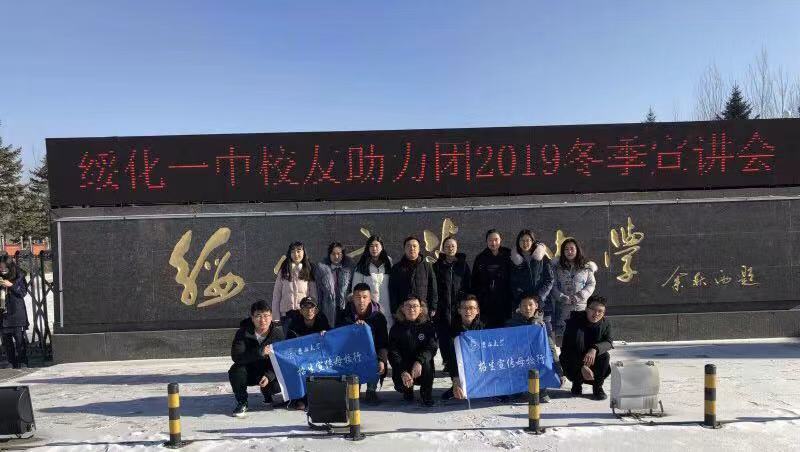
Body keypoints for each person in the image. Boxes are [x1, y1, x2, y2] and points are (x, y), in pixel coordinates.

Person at [228, 300, 285, 417]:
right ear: (252, 318)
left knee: (278, 384)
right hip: (249, 372)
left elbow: (282, 360)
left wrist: (269, 376)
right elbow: (237, 357)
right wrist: (260, 352)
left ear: (271, 317)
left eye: (266, 316)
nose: (263, 320)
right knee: (235, 370)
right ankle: (242, 402)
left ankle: (267, 393)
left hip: (267, 371)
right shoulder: (243, 333)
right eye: (258, 316)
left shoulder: (277, 334)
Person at [505, 293, 565, 402]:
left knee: (542, 358)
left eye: (530, 305)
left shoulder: (542, 325)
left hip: (536, 362)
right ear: (519, 307)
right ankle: (516, 389)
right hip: (518, 360)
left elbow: (551, 348)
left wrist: (559, 372)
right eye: (524, 305)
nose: (527, 308)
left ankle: (541, 390)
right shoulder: (511, 324)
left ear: (536, 306)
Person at [336, 282, 389, 404]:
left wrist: (382, 360)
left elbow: (383, 342)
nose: (361, 301)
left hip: (371, 355)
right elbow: (337, 338)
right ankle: (354, 387)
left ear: (370, 298)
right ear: (352, 298)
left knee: (377, 362)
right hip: (351, 355)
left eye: (365, 297)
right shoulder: (344, 315)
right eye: (358, 297)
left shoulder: (378, 317)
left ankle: (371, 390)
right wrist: (353, 329)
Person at [559, 295, 613, 401]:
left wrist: (595, 349)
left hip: (593, 362)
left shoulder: (606, 323)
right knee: (567, 357)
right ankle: (576, 383)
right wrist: (582, 366)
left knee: (605, 356)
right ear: (587, 309)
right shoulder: (574, 322)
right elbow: (567, 349)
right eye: (593, 310)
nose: (596, 314)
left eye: (600, 311)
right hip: (574, 362)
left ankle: (597, 387)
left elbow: (609, 342)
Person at [388, 296, 438, 407]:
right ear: (402, 309)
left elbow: (432, 347)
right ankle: (407, 390)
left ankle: (426, 394)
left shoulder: (428, 326)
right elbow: (392, 353)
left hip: (421, 367)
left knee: (427, 363)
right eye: (408, 306)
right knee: (402, 387)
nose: (412, 309)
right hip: (403, 367)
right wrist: (403, 371)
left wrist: (419, 361)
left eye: (415, 306)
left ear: (421, 309)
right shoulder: (396, 329)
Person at [433, 236, 470, 377]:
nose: (450, 248)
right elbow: (433, 287)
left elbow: (468, 284)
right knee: (444, 337)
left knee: (458, 335)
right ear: (443, 249)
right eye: (447, 246)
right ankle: (447, 362)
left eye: (453, 246)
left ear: (457, 247)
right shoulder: (437, 266)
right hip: (442, 308)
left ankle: (459, 361)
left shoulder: (463, 265)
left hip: (458, 307)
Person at [285, 296, 330, 410]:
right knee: (297, 368)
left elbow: (331, 341)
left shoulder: (322, 321)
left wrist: (326, 334)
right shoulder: (294, 323)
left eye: (312, 308)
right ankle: (300, 398)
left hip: (319, 357)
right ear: (300, 311)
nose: (309, 311)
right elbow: (288, 344)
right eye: (305, 308)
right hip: (301, 358)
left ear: (316, 310)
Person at [510, 230, 554, 335]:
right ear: (518, 242)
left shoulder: (542, 257)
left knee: (544, 334)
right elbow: (512, 282)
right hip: (522, 305)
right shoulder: (513, 260)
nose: (525, 243)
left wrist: (539, 296)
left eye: (528, 240)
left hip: (542, 303)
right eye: (522, 240)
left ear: (532, 241)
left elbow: (549, 279)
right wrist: (521, 297)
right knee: (523, 335)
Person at [550, 238, 597, 337]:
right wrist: (562, 297)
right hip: (562, 309)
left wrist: (580, 296)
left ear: (577, 250)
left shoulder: (586, 267)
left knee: (581, 337)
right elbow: (552, 285)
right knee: (563, 338)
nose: (569, 252)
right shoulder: (557, 267)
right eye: (566, 249)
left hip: (581, 307)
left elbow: (591, 284)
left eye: (572, 249)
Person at [443, 295, 484, 400]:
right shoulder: (452, 331)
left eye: (471, 308)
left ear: (477, 311)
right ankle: (457, 386)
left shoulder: (484, 328)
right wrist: (455, 380)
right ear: (459, 310)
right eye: (464, 308)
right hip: (461, 367)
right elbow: (451, 358)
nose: (468, 311)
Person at [389, 236, 438, 323]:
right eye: (408, 246)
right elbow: (392, 290)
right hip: (403, 311)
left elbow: (433, 288)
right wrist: (394, 309)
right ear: (404, 249)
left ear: (419, 249)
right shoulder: (397, 268)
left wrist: (433, 307)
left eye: (414, 246)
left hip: (422, 310)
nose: (412, 248)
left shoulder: (427, 267)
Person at [471, 229, 512, 328]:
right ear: (486, 241)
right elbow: (474, 281)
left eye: (496, 239)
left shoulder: (508, 255)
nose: (493, 243)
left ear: (500, 240)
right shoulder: (480, 258)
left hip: (505, 302)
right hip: (486, 303)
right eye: (490, 240)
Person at [351, 235, 393, 328]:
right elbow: (355, 289)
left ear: (382, 247)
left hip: (388, 307)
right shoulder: (362, 265)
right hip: (370, 309)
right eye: (371, 246)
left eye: (376, 245)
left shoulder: (389, 263)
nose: (374, 249)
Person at [272, 241, 317, 326]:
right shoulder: (283, 271)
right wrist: (275, 316)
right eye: (293, 252)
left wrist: (313, 313)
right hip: (286, 315)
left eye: (298, 251)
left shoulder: (308, 270)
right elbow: (276, 294)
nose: (296, 254)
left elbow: (313, 294)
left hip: (304, 314)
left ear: (304, 252)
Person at [315, 242, 355, 325]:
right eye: (333, 254)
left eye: (339, 254)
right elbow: (318, 290)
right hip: (328, 308)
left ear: (343, 255)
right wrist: (318, 308)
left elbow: (353, 287)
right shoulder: (322, 269)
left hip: (345, 308)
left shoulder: (349, 268)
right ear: (329, 255)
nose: (336, 257)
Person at [0, 255, 28, 369]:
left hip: (16, 313)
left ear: (10, 266)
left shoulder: (19, 276)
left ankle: (23, 361)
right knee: (6, 341)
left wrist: (11, 285)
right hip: (3, 314)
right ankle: (11, 361)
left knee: (19, 339)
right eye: (0, 268)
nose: (2, 270)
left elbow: (23, 292)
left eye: (4, 268)